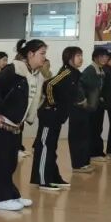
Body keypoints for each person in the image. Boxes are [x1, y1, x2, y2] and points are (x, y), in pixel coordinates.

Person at [0, 39, 47, 212]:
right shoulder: (14, 69)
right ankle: (0, 198)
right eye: (42, 53)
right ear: (30, 54)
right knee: (0, 162)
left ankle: (11, 194)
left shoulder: (35, 74)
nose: (44, 57)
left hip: (15, 124)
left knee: (11, 162)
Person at [33, 47, 86, 192]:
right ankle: (43, 180)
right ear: (69, 58)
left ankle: (53, 176)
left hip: (58, 116)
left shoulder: (75, 74)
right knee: (45, 146)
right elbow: (49, 85)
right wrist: (52, 104)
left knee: (52, 147)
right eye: (78, 56)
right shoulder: (66, 72)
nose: (81, 58)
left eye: (81, 55)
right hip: (49, 115)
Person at [83, 46, 110, 163]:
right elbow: (85, 88)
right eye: (102, 56)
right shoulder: (90, 70)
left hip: (98, 105)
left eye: (106, 56)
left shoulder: (101, 70)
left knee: (98, 129)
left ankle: (98, 152)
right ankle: (92, 154)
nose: (105, 59)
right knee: (92, 130)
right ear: (95, 58)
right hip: (91, 106)